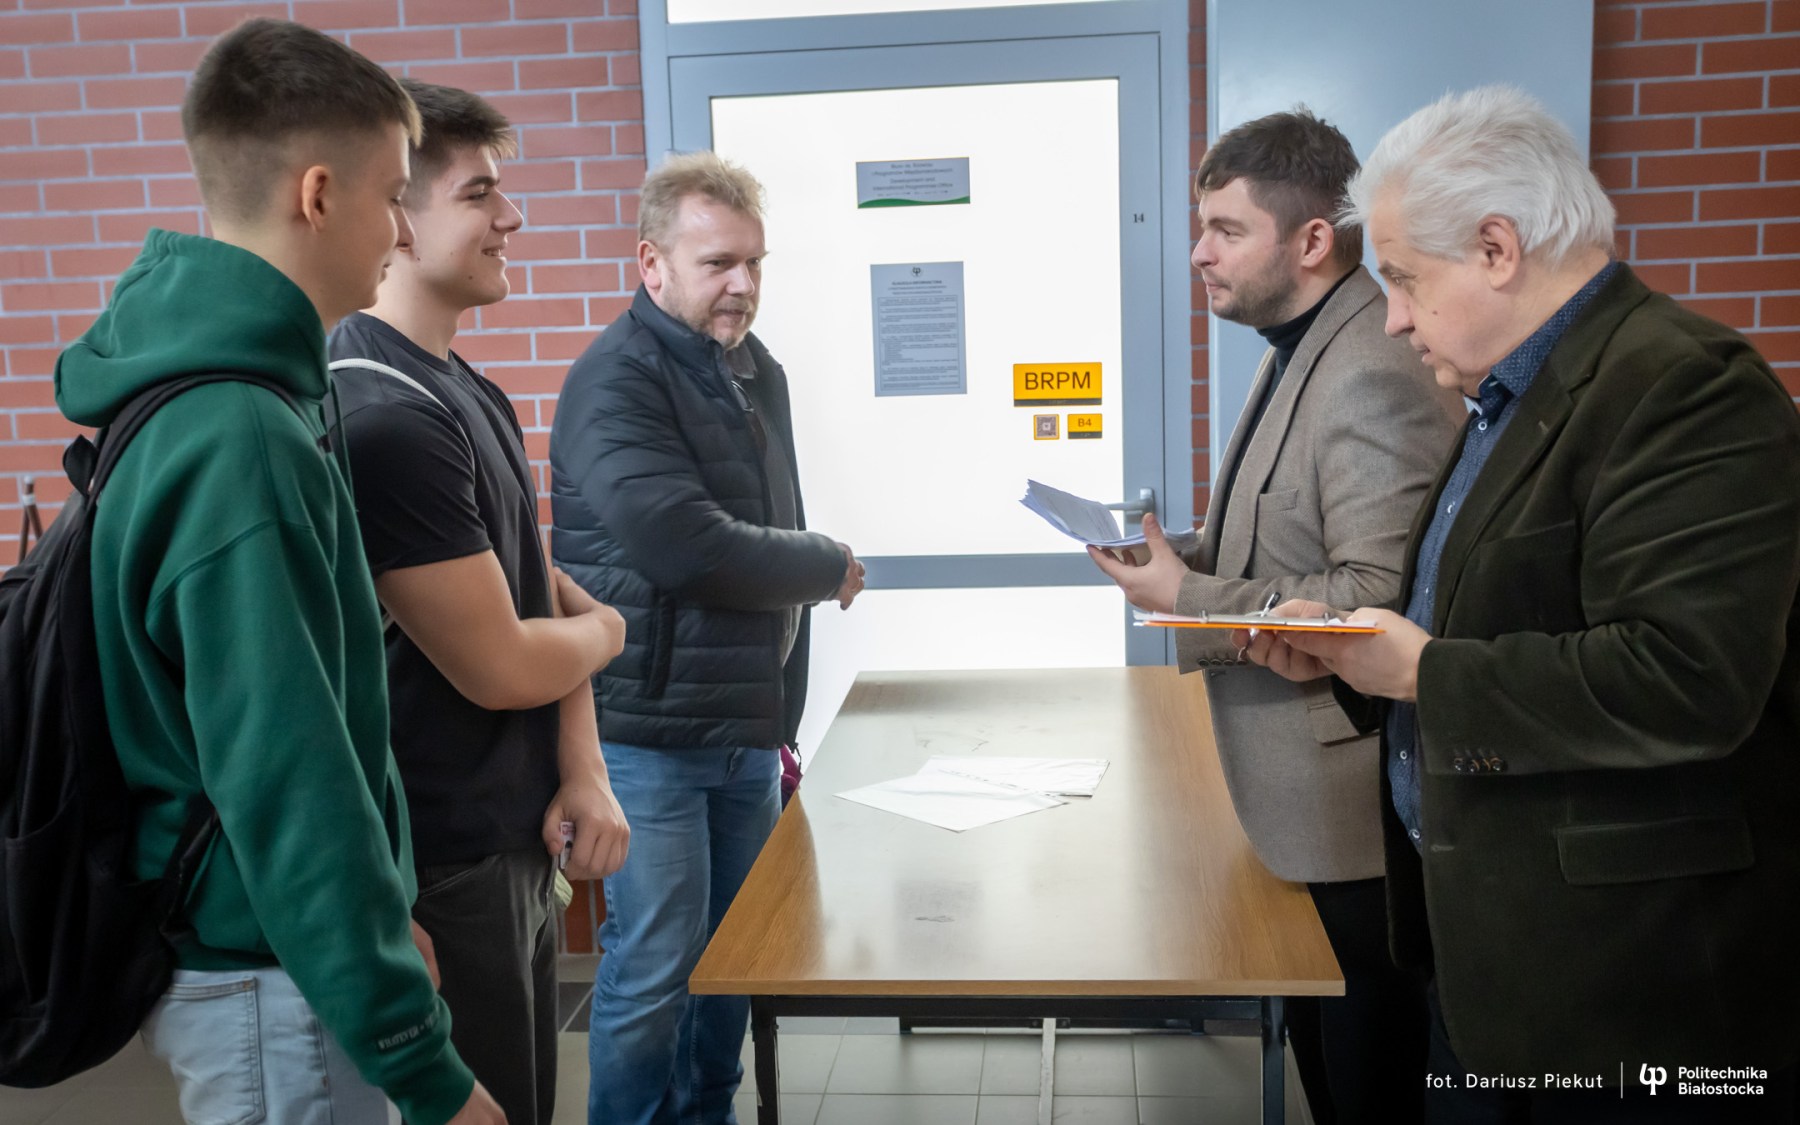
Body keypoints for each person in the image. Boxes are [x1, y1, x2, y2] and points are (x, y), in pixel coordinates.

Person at [1240, 86, 1800, 1122]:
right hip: (1488, 955)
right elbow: (1485, 614)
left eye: (1406, 279)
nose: (1393, 316)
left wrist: (1421, 671)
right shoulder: (1505, 395)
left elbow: (1690, 677)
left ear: (1496, 248)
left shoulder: (1684, 386)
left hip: (1623, 991)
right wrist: (1354, 658)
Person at [53, 20, 504, 1125]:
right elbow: (289, 780)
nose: (404, 232)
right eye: (393, 196)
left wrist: (380, 920)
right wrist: (426, 1068)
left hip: (287, 962)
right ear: (317, 194)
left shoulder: (221, 391)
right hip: (272, 988)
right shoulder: (241, 437)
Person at [1090, 108, 1454, 1125]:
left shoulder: (1369, 367)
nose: (1199, 253)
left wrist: (1187, 597)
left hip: (1350, 819)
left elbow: (1371, 602)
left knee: (1367, 1084)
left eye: (1225, 229)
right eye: (1200, 227)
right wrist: (1180, 556)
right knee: (1326, 1070)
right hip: (1295, 809)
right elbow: (1280, 534)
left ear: (1312, 240)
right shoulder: (1293, 345)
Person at [326, 79, 631, 1125]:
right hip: (443, 863)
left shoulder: (468, 389)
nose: (512, 216)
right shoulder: (378, 414)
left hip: (515, 841)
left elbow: (535, 592)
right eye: (479, 194)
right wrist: (609, 632)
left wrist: (584, 767)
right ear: (399, 218)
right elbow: (502, 662)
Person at [549, 151, 864, 1125]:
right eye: (718, 262)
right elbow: (684, 545)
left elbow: (765, 519)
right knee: (655, 971)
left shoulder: (753, 371)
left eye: (754, 262)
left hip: (743, 734)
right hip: (647, 741)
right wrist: (826, 563)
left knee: (730, 965)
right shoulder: (615, 380)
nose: (743, 284)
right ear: (651, 263)